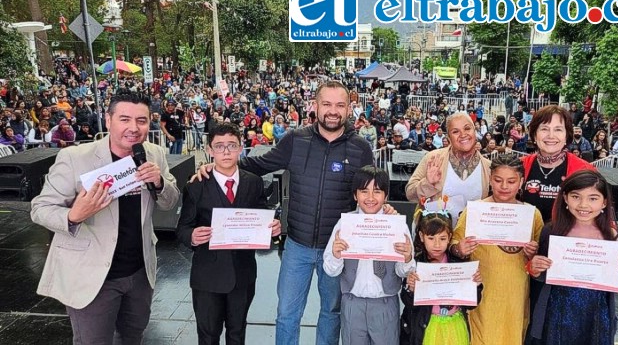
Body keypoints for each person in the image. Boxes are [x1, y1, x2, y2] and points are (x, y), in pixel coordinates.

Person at [192, 81, 375, 345]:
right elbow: (259, 164)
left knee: (332, 313)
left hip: (337, 249)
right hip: (297, 247)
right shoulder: (296, 140)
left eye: (340, 105)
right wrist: (217, 166)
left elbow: (373, 190)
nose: (332, 111)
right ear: (315, 105)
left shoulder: (361, 148)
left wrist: (386, 209)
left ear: (349, 108)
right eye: (326, 104)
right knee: (287, 314)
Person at [30, 92, 179, 344]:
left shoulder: (153, 153)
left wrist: (161, 182)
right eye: (124, 119)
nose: (134, 128)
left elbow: (170, 200)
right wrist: (74, 215)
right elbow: (40, 208)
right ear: (108, 121)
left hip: (139, 272)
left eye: (141, 121)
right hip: (92, 275)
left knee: (133, 336)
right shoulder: (75, 158)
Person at [176, 122, 281, 344]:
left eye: (232, 145)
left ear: (241, 148)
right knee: (208, 336)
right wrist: (192, 236)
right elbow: (183, 229)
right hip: (207, 277)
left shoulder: (253, 183)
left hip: (242, 275)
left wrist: (273, 228)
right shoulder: (196, 186)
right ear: (209, 150)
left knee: (237, 333)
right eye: (219, 146)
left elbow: (263, 216)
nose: (226, 151)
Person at [527, 170, 618, 345]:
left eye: (593, 198)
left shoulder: (614, 237)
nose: (583, 205)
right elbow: (541, 276)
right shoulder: (552, 232)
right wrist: (534, 268)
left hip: (596, 316)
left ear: (604, 203)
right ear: (565, 198)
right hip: (555, 313)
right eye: (576, 197)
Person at [451, 154, 544, 345]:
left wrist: (533, 254)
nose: (504, 186)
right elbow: (453, 246)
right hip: (483, 295)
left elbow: (539, 263)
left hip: (515, 298)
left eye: (511, 181)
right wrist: (460, 249)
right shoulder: (475, 211)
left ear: (521, 181)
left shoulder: (532, 214)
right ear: (490, 179)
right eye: (498, 180)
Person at [323, 165, 414, 345]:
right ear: (355, 195)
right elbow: (330, 270)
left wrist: (407, 258)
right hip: (352, 303)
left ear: (386, 196)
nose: (371, 198)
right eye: (364, 191)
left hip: (385, 303)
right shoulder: (344, 224)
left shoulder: (396, 225)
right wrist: (336, 254)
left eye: (377, 191)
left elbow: (405, 272)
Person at [400, 212, 482, 345]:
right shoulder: (416, 264)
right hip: (427, 326)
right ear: (421, 236)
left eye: (442, 239)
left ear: (450, 237)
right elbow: (407, 302)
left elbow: (471, 304)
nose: (437, 245)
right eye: (431, 238)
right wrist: (411, 288)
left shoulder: (459, 264)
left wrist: (475, 286)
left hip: (455, 325)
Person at [521, 105, 595, 224]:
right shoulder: (520, 165)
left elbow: (599, 212)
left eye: (558, 129)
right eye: (544, 129)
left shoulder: (584, 170)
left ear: (567, 135)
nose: (551, 136)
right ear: (534, 135)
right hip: (524, 239)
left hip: (565, 240)